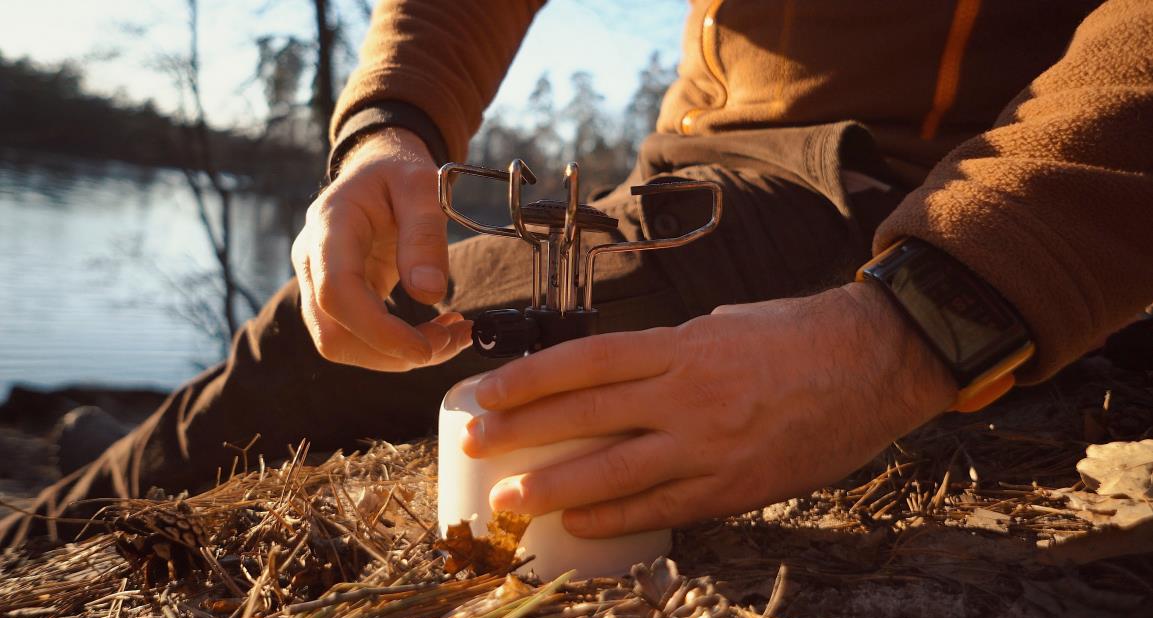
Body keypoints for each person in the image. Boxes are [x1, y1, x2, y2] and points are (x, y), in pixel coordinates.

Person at [4, 0, 1152, 544]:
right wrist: (388, 128)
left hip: (920, 180)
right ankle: (109, 450)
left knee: (283, 364)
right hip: (697, 153)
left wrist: (915, 326)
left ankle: (34, 543)